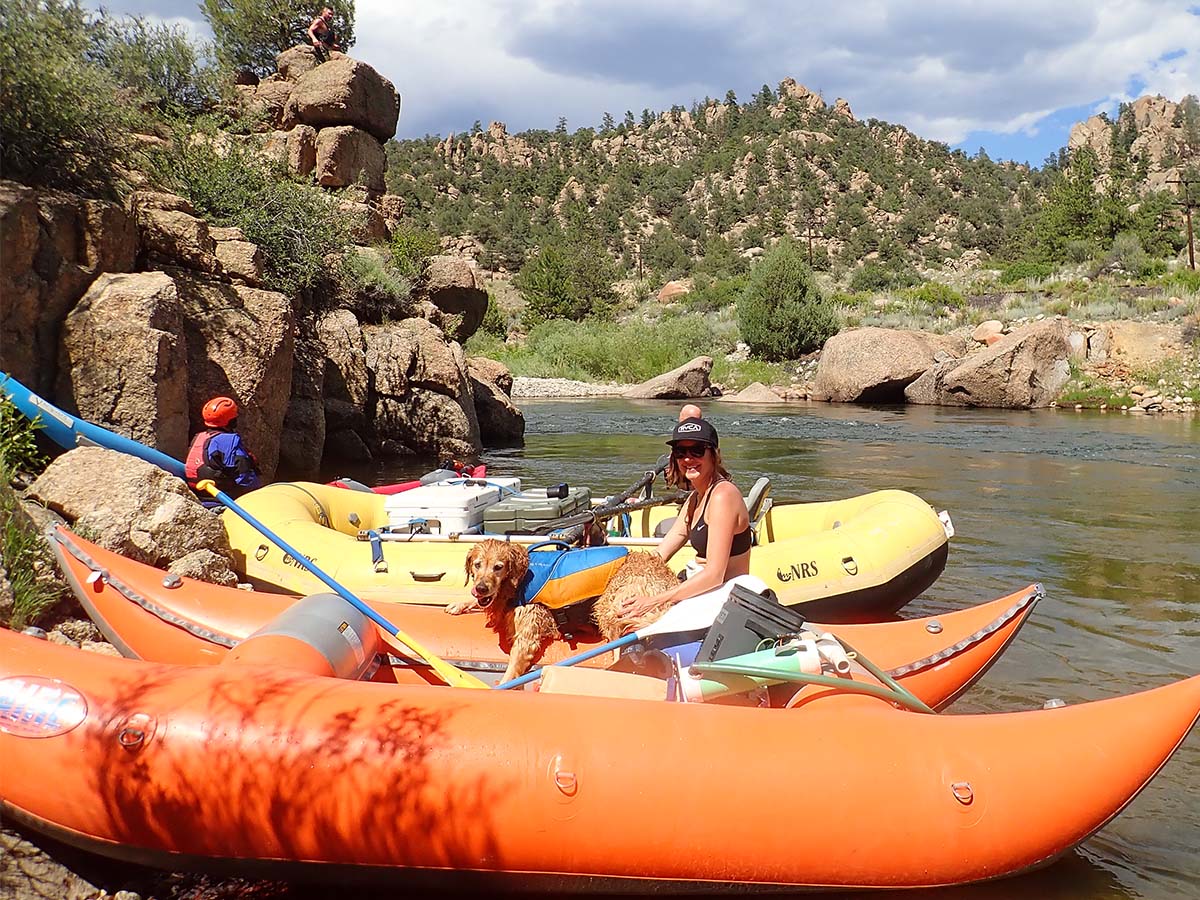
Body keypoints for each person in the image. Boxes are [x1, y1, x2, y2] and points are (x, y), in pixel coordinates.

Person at [618, 415, 752, 624]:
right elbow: (662, 552)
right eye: (680, 452)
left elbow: (715, 575)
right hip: (704, 592)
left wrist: (655, 600)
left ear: (714, 454)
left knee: (638, 623)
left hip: (724, 599)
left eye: (697, 450)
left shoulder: (722, 496)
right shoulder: (695, 498)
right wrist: (627, 572)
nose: (688, 459)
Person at [185, 396, 263, 499]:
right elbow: (243, 474)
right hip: (223, 497)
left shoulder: (199, 437)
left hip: (200, 494)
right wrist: (258, 491)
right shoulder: (228, 441)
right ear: (231, 421)